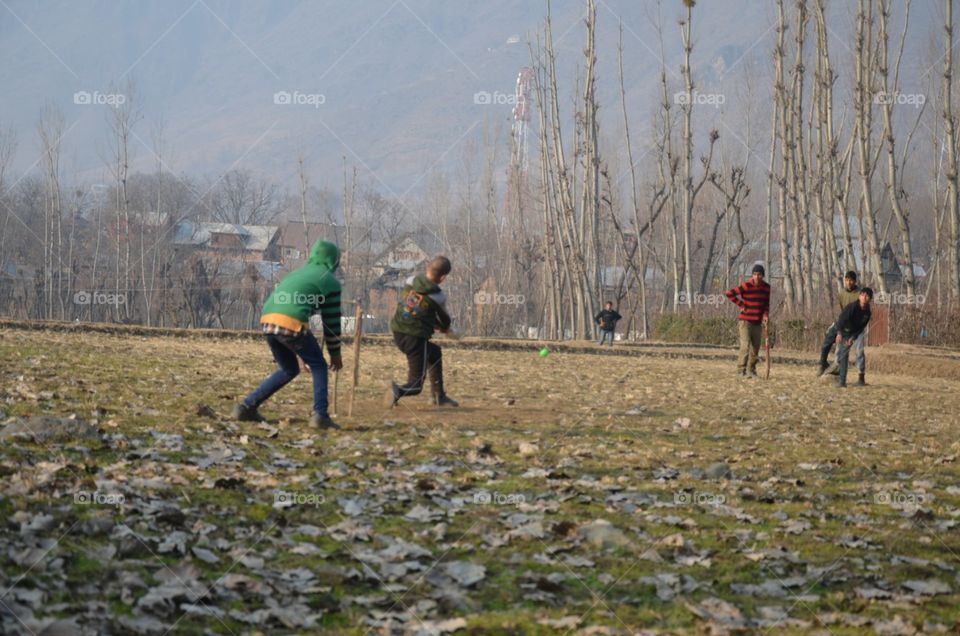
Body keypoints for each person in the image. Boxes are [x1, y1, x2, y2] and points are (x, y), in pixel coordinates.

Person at [233, 240, 343, 429]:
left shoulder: (298, 273)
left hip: (268, 320)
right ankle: (320, 415)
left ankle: (246, 408)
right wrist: (335, 354)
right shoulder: (330, 281)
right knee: (319, 366)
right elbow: (331, 322)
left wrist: (301, 351)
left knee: (288, 369)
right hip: (291, 323)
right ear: (334, 261)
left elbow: (292, 306)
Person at [386, 256, 459, 408]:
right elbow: (445, 320)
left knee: (435, 353)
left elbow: (418, 309)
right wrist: (444, 328)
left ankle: (438, 396)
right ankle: (397, 391)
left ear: (427, 267)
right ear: (443, 277)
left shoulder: (411, 281)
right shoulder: (438, 296)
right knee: (416, 385)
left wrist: (432, 322)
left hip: (398, 331)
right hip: (415, 338)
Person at [818, 271, 867, 385]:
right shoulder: (842, 294)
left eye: (851, 280)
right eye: (847, 280)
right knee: (837, 348)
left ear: (855, 281)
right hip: (844, 325)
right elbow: (842, 310)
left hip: (856, 327)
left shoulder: (860, 294)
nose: (848, 282)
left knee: (859, 351)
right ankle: (833, 371)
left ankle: (861, 376)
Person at [726, 264, 771, 377]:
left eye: (759, 275)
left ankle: (751, 370)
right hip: (745, 321)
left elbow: (766, 304)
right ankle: (741, 370)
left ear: (763, 276)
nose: (756, 277)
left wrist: (766, 315)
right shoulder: (746, 286)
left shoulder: (766, 288)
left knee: (755, 348)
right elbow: (729, 294)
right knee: (745, 345)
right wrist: (741, 304)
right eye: (754, 274)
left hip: (757, 321)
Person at [834, 288, 873, 388]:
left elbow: (861, 328)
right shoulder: (852, 307)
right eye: (863, 295)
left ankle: (861, 378)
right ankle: (840, 380)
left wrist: (853, 338)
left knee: (859, 351)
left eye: (867, 296)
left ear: (870, 299)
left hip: (856, 332)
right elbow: (841, 320)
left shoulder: (867, 313)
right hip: (844, 330)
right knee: (842, 353)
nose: (864, 297)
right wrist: (839, 333)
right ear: (859, 296)